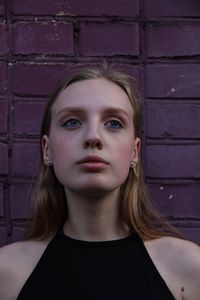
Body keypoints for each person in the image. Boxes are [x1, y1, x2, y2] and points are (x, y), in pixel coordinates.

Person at [0, 66, 200, 300]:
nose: (93, 137)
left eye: (114, 123)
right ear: (47, 150)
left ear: (134, 152)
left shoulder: (187, 269)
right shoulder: (8, 273)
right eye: (72, 122)